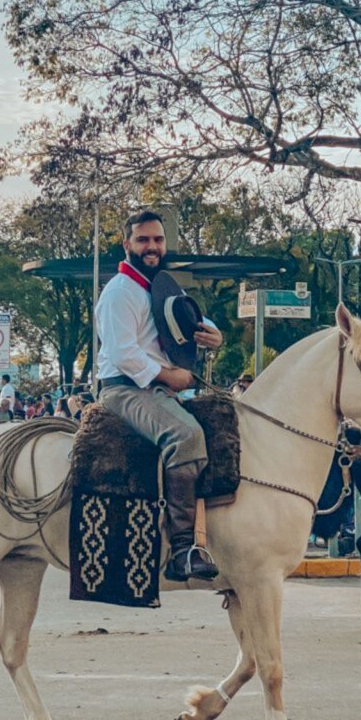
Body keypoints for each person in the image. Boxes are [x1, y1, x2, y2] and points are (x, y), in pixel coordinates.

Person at [95, 209, 223, 581]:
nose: (152, 247)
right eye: (143, 240)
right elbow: (123, 353)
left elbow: (184, 315)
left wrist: (214, 334)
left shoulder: (156, 284)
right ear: (127, 244)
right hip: (126, 389)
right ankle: (183, 549)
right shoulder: (120, 292)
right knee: (186, 435)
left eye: (158, 240)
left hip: (156, 387)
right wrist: (170, 377)